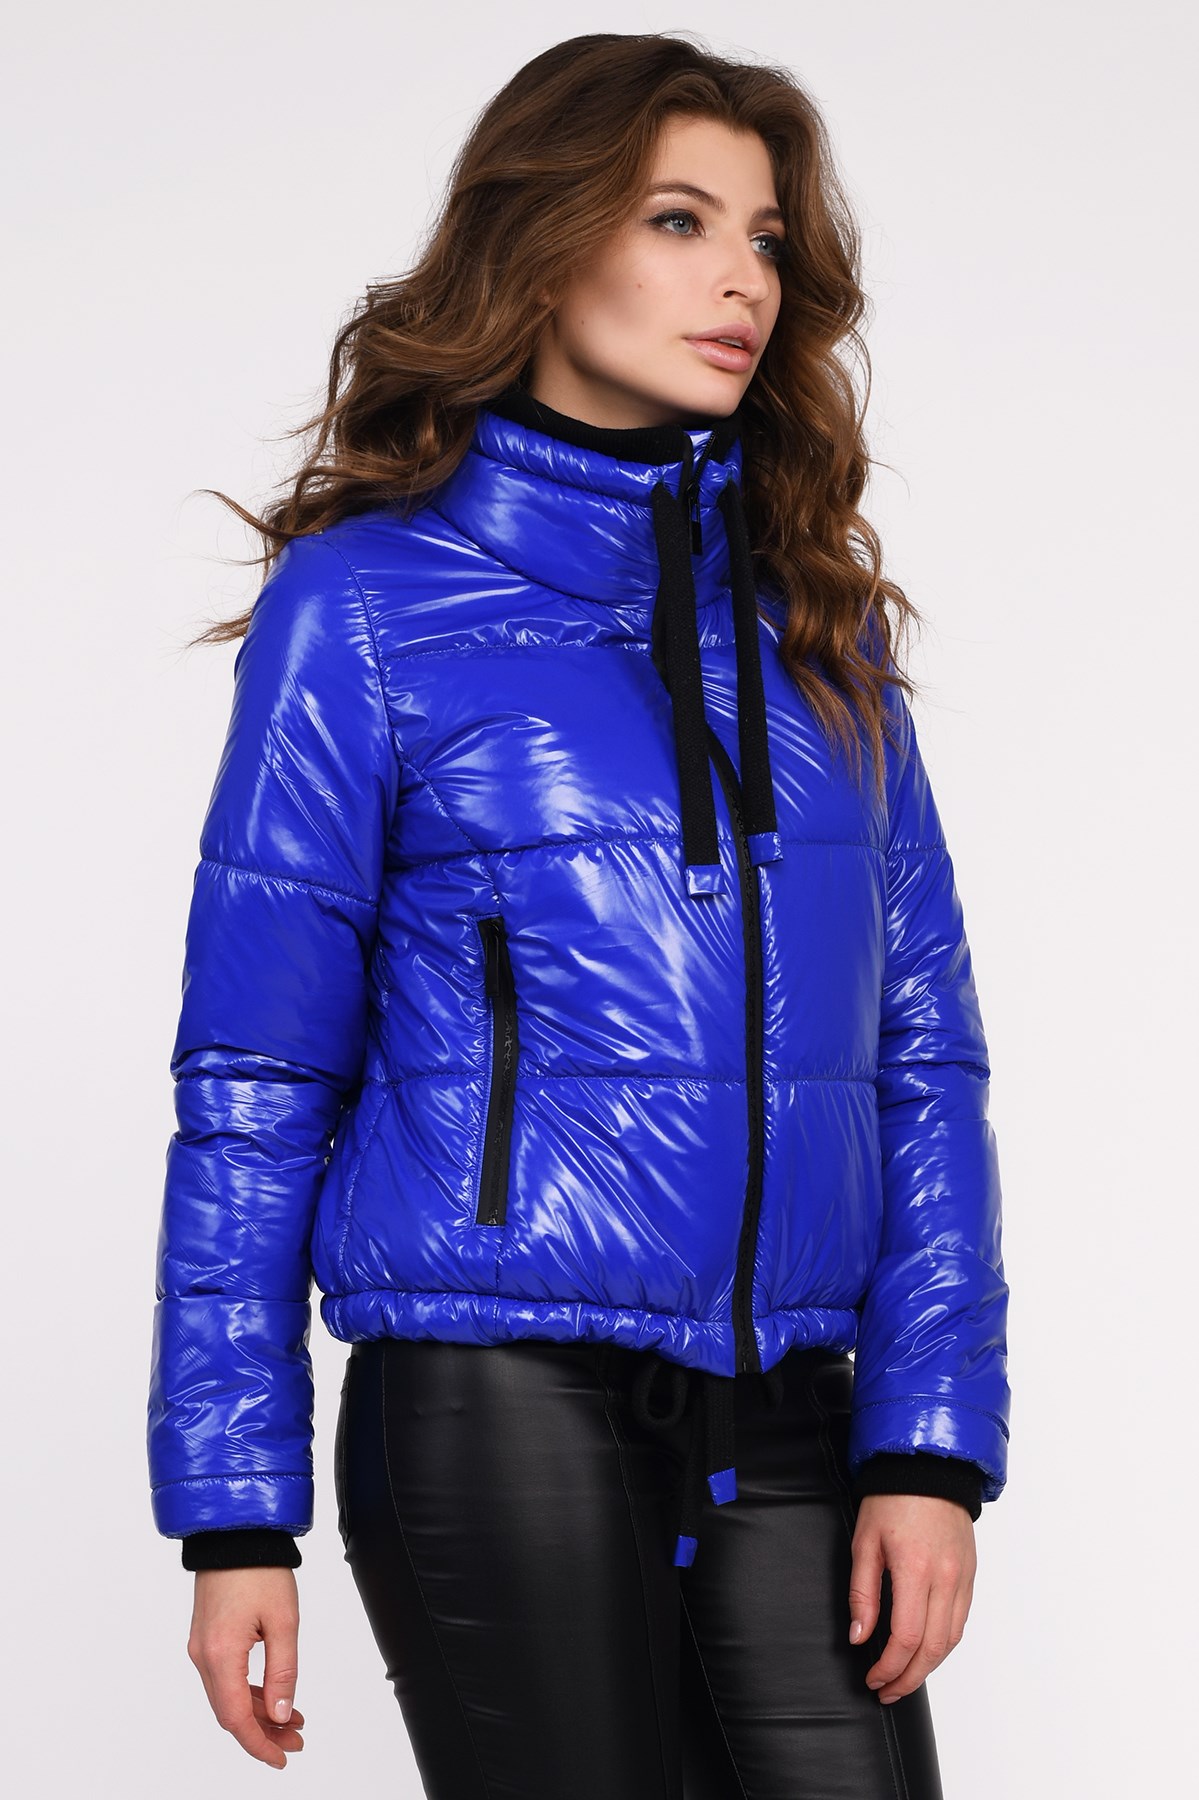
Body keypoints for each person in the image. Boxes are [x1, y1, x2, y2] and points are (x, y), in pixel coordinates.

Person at [147, 31, 1010, 1799]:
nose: (741, 280)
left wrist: (927, 1446)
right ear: (542, 244)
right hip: (491, 1397)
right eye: (679, 220)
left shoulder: (820, 633)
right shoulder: (365, 607)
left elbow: (925, 1060)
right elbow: (254, 1074)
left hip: (792, 1407)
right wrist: (234, 1511)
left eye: (765, 239)